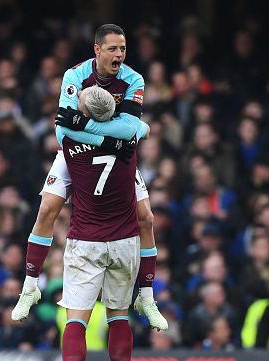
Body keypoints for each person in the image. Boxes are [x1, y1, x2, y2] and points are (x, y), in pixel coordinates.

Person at [11, 24, 167, 332]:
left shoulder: (133, 80)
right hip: (79, 154)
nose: (119, 55)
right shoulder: (74, 76)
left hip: (116, 158)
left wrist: (92, 129)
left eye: (122, 49)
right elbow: (62, 131)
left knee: (146, 217)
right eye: (112, 49)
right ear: (97, 50)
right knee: (47, 210)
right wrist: (112, 139)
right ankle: (30, 286)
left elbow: (129, 128)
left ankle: (146, 296)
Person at [52, 85, 146, 361]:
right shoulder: (131, 140)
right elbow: (141, 127)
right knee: (118, 316)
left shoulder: (66, 138)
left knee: (76, 319)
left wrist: (83, 124)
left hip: (85, 240)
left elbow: (64, 122)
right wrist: (113, 132)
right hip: (124, 241)